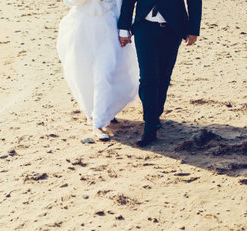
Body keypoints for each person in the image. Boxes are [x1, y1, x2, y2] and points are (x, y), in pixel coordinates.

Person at [118, 0, 202, 146]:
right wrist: (124, 28)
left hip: (173, 28)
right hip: (144, 27)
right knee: (148, 78)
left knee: (164, 77)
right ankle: (149, 126)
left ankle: (156, 113)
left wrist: (194, 29)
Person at [57, 0, 139, 140]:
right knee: (84, 73)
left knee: (106, 73)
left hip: (110, 27)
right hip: (83, 28)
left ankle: (99, 122)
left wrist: (125, 27)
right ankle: (93, 112)